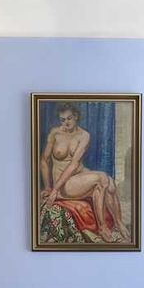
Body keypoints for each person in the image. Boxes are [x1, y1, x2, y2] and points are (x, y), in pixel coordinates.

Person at [39, 102, 130, 243]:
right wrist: (50, 188)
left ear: (76, 117)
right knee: (102, 178)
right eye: (62, 120)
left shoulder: (84, 135)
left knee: (110, 183)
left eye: (69, 118)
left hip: (77, 176)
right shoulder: (55, 133)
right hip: (63, 183)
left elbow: (75, 164)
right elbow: (44, 160)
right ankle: (102, 227)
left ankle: (119, 223)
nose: (66, 123)